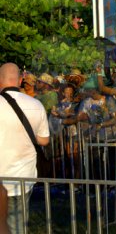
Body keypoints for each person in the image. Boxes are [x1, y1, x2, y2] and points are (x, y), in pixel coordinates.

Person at [0, 63, 49, 234]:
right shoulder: (36, 104)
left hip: (2, 176)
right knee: (17, 226)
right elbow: (44, 140)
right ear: (21, 80)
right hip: (22, 177)